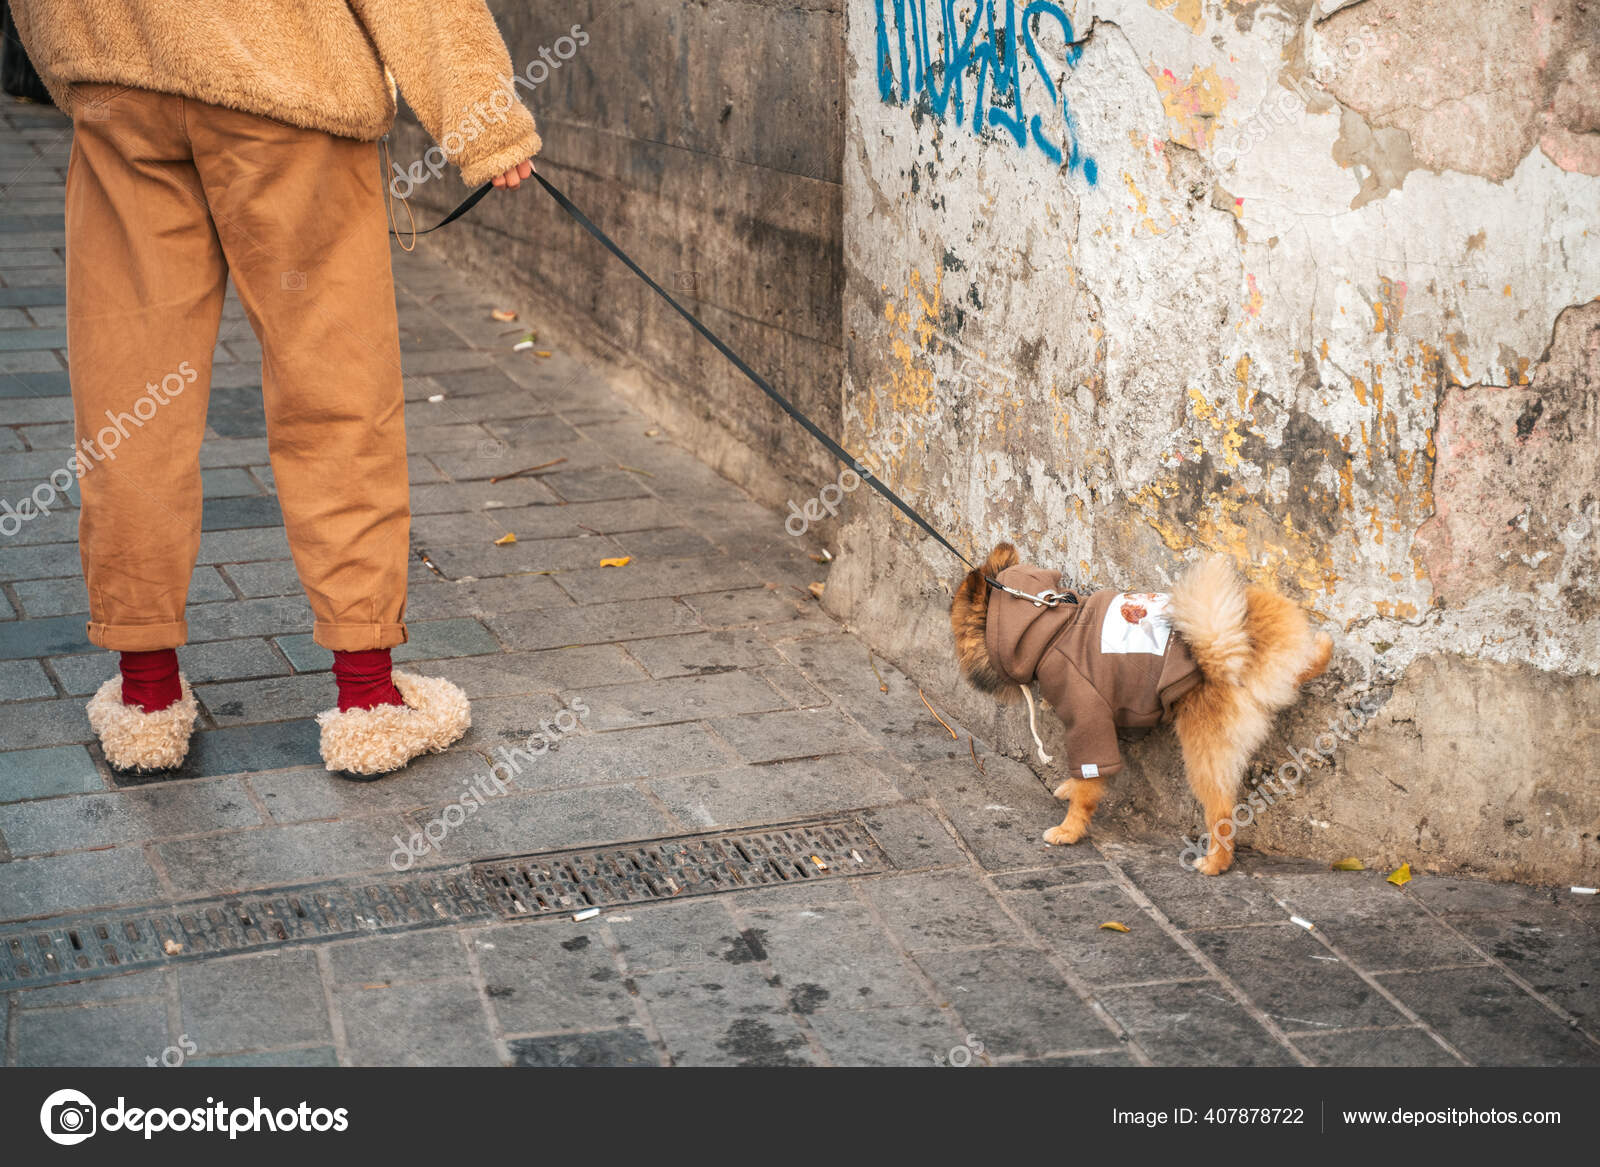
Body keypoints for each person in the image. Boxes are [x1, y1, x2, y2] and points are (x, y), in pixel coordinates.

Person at [8, 1, 541, 777]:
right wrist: (483, 118)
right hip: (283, 76)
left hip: (120, 84)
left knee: (129, 401)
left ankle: (146, 701)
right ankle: (367, 705)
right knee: (334, 390)